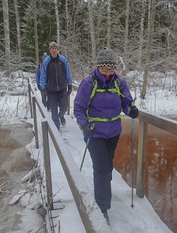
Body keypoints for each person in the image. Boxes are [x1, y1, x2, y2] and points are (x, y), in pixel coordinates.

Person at [73, 47, 139, 224]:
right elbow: (79, 108)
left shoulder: (119, 82)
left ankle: (104, 189)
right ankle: (103, 207)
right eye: (105, 69)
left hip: (114, 132)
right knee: (101, 167)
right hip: (95, 133)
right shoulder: (89, 83)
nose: (109, 72)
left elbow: (126, 102)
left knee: (108, 165)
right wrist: (84, 124)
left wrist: (131, 110)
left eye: (112, 69)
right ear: (98, 67)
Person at [40, 41, 72, 130]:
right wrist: (43, 88)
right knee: (53, 111)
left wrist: (70, 85)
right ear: (50, 50)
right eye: (52, 49)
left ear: (57, 50)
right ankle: (56, 128)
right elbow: (43, 76)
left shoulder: (63, 60)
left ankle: (61, 115)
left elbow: (68, 73)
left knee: (64, 107)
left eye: (55, 48)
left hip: (62, 88)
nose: (54, 50)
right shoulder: (46, 62)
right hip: (51, 90)